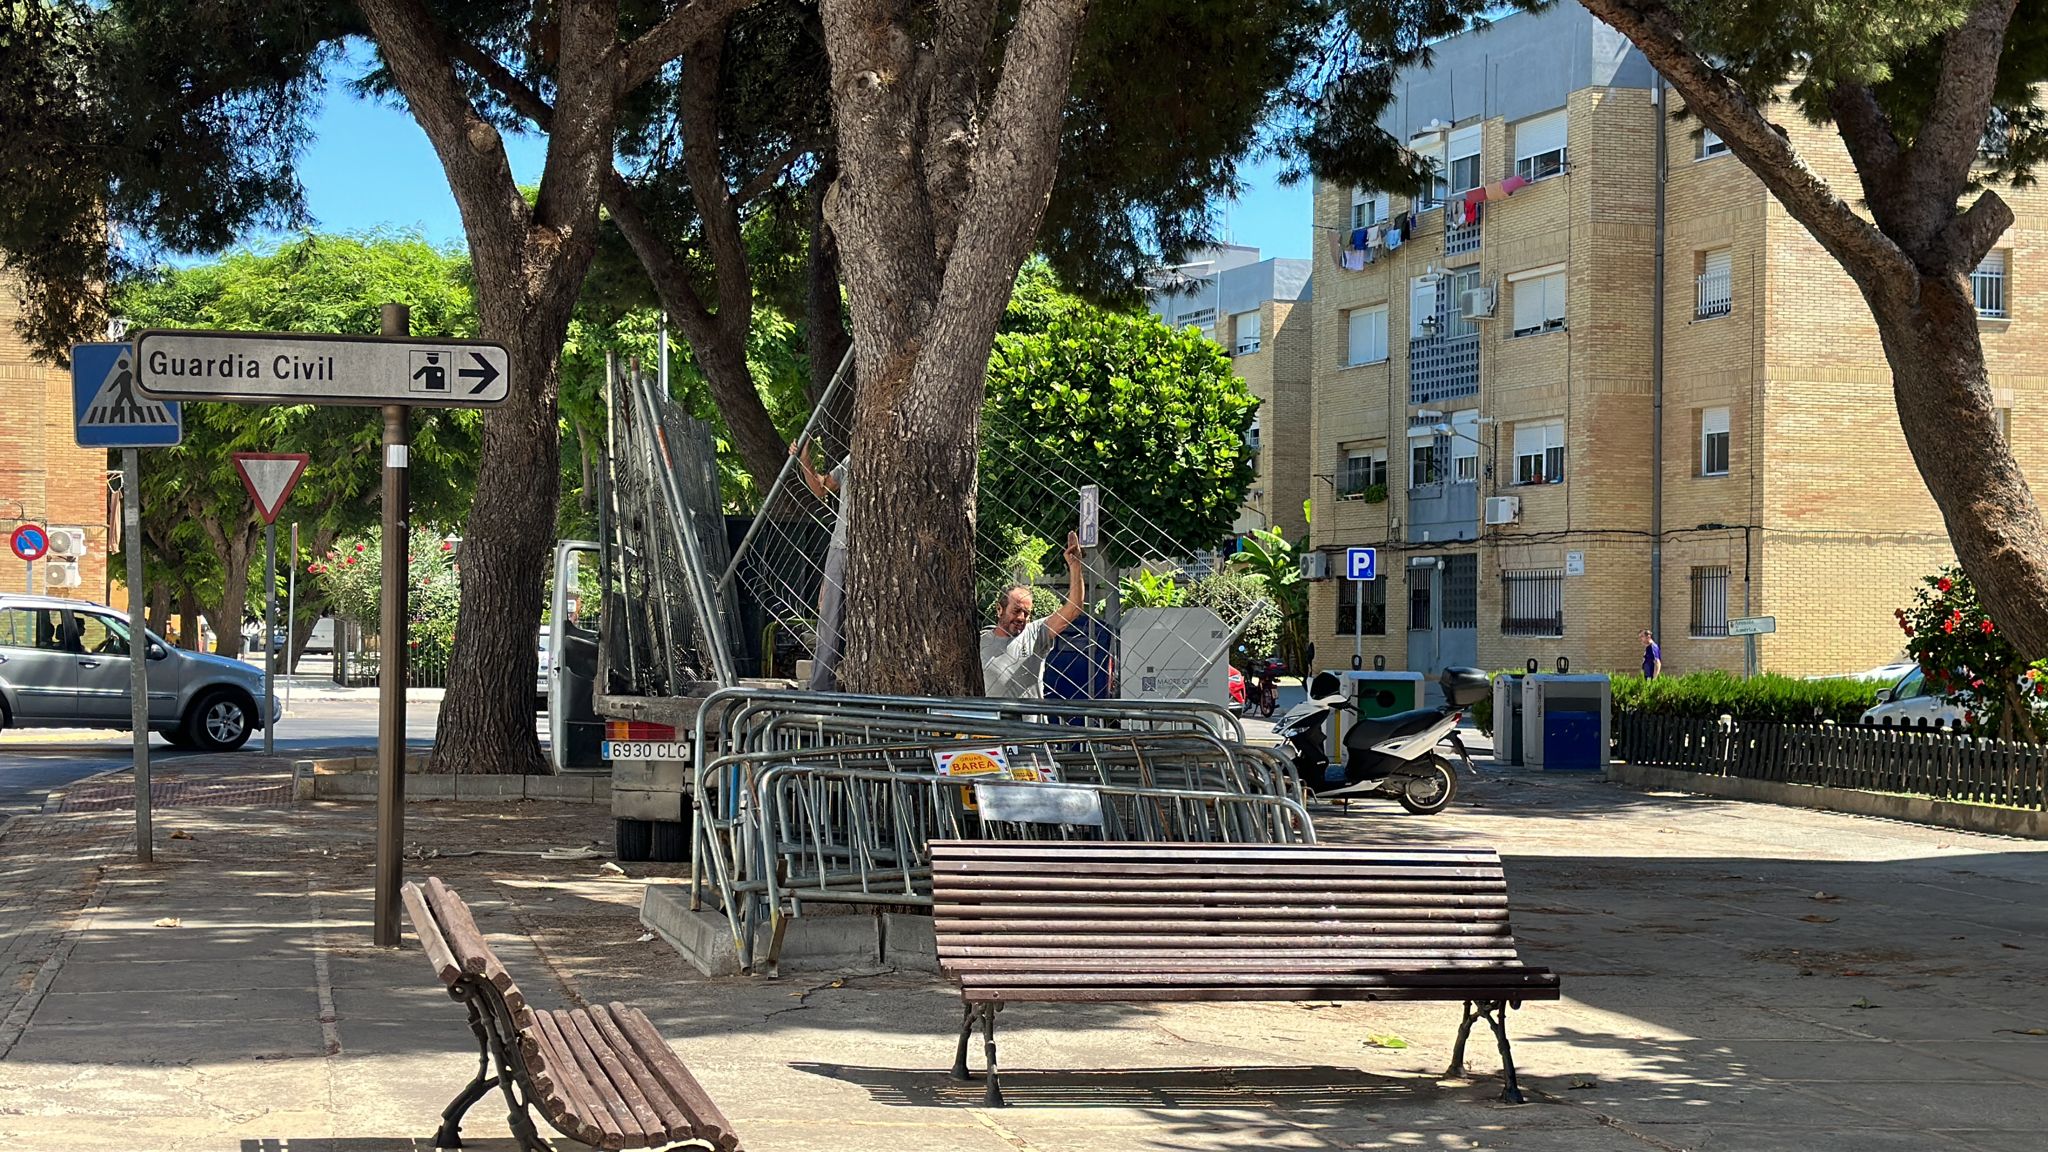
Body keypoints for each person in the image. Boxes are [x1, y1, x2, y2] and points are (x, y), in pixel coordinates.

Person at [981, 532, 1087, 699]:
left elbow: (1074, 608)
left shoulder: (1035, 633)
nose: (1022, 618)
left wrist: (1075, 566)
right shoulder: (980, 641)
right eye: (1016, 611)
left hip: (1030, 724)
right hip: (992, 724)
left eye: (1027, 613)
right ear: (999, 609)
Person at [792, 436, 850, 691]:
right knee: (829, 617)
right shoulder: (851, 461)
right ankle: (821, 688)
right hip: (841, 546)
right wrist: (804, 459)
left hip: (873, 550)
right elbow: (821, 488)